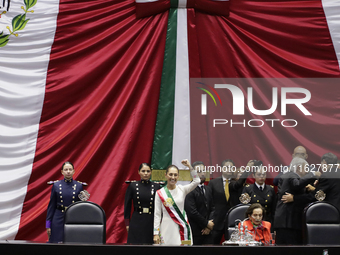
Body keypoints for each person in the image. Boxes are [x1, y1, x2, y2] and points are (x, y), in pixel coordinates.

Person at [274, 157, 321, 245]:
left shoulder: (287, 176)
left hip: (285, 221)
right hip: (288, 222)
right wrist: (313, 174)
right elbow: (297, 184)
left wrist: (307, 190)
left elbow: (295, 190)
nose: (307, 171)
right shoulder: (291, 175)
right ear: (299, 167)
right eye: (306, 168)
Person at [153, 159, 200, 245]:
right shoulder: (159, 193)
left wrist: (190, 167)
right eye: (170, 174)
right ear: (166, 175)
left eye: (175, 175)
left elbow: (197, 181)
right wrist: (155, 233)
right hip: (166, 227)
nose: (173, 177)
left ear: (178, 176)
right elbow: (157, 214)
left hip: (182, 227)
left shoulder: (182, 189)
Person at [208, 159, 250, 244]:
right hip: (217, 221)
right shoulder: (213, 183)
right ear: (221, 169)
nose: (229, 169)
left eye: (231, 167)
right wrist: (209, 220)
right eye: (227, 167)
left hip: (232, 221)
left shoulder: (235, 183)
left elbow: (240, 184)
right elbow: (209, 202)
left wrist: (247, 169)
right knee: (212, 246)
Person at [46, 162, 85, 243]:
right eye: (66, 169)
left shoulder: (79, 185)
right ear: (62, 172)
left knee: (72, 242)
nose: (68, 171)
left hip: (73, 217)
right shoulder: (56, 185)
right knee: (57, 242)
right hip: (58, 216)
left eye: (70, 169)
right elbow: (51, 205)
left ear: (73, 171)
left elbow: (80, 207)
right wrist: (48, 224)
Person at [124, 163, 161, 244]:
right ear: (139, 172)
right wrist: (127, 223)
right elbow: (127, 205)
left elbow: (159, 207)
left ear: (151, 172)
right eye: (143, 171)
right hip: (137, 220)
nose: (145, 173)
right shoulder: (133, 186)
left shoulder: (156, 186)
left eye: (148, 171)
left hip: (151, 220)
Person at [185, 161, 215, 245]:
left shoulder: (208, 189)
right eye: (198, 172)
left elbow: (213, 208)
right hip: (196, 232)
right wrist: (206, 224)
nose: (202, 174)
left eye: (203, 171)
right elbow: (192, 212)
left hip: (209, 232)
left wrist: (209, 226)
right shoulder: (189, 190)